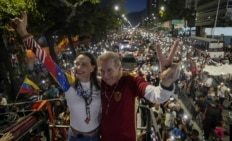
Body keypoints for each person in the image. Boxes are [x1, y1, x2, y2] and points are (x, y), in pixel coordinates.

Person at [11, 12, 101, 141]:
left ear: (93, 67)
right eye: (77, 64)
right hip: (74, 137)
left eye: (84, 64)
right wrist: (24, 33)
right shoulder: (68, 84)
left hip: (96, 137)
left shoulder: (102, 85)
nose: (79, 67)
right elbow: (48, 62)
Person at [97, 38, 180, 141]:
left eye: (109, 70)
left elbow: (156, 96)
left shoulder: (131, 81)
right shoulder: (99, 84)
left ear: (119, 68)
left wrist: (166, 84)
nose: (105, 75)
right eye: (102, 71)